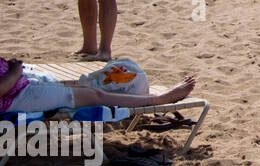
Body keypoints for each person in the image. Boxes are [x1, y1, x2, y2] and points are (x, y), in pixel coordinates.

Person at [0, 56, 195, 115]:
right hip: (16, 96)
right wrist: (15, 71)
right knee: (94, 95)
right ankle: (160, 99)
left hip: (21, 89)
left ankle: (150, 98)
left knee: (89, 91)